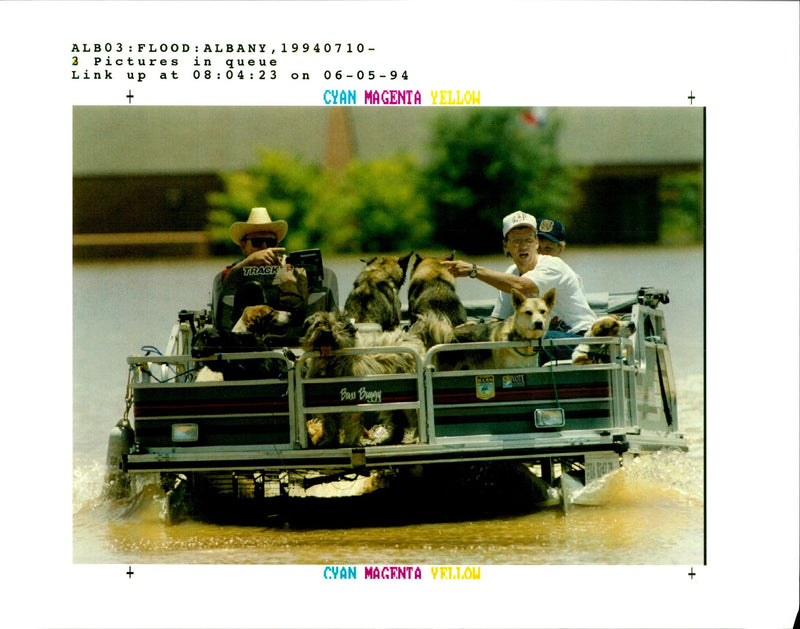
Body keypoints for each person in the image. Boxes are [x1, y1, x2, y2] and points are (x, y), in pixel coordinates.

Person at [442, 211, 595, 359]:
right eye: (516, 241)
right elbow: (498, 322)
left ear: (536, 243)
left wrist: (473, 270)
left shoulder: (552, 265)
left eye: (528, 240)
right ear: (506, 246)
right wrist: (474, 329)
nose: (523, 247)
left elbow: (524, 286)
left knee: (528, 337)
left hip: (581, 340)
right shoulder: (511, 274)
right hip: (541, 339)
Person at [221, 206, 288, 280]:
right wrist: (249, 261)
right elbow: (224, 281)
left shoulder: (287, 266)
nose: (264, 247)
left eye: (270, 242)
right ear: (243, 246)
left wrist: (282, 271)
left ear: (276, 245)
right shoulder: (232, 270)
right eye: (257, 242)